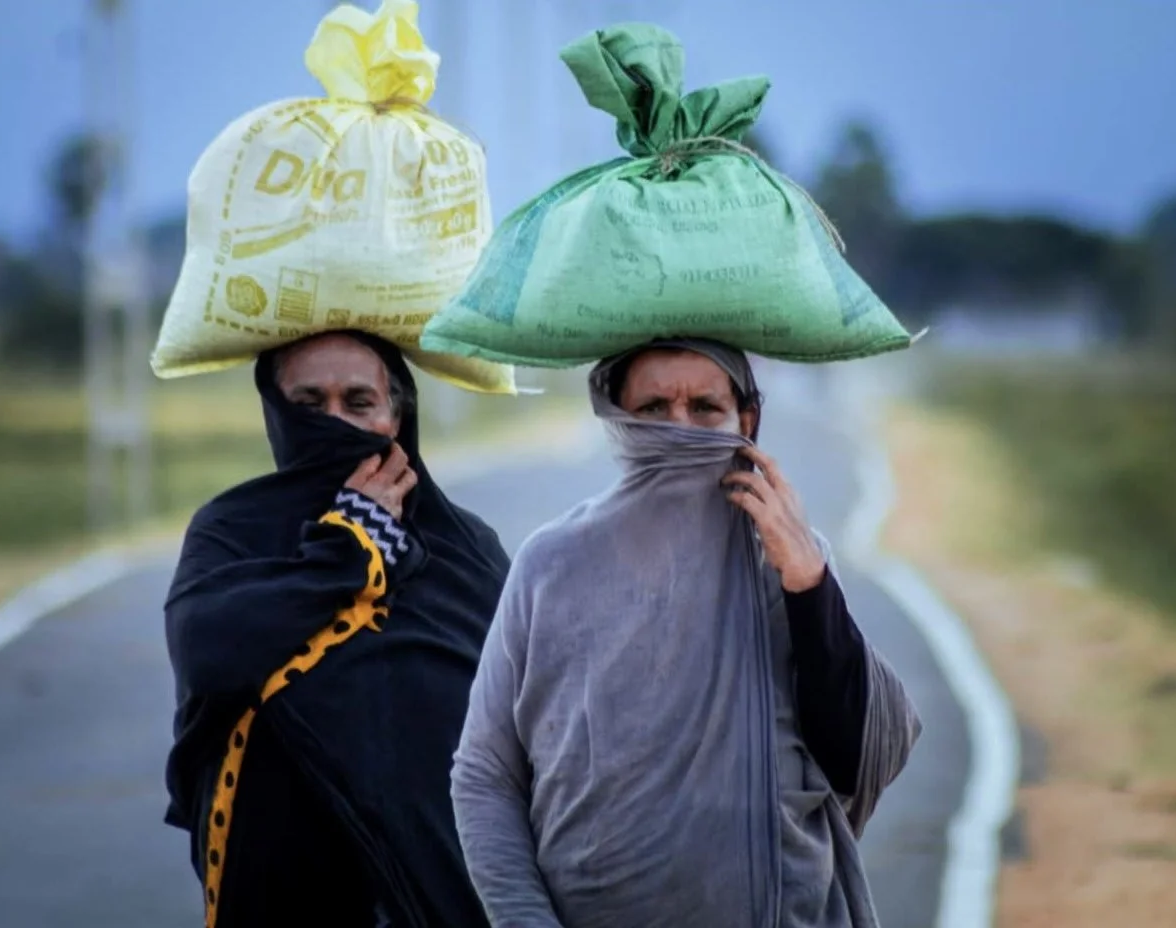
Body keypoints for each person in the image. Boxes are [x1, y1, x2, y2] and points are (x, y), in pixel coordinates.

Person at [451, 337, 922, 928]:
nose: (682, 429)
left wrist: (809, 583)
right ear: (616, 416)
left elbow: (854, 756)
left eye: (705, 408)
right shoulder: (552, 565)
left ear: (744, 420)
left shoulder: (785, 561)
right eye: (654, 410)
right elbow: (485, 774)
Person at [163, 330, 509, 928]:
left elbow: (524, 711)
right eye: (308, 405)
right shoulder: (231, 530)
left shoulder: (465, 548)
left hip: (444, 881)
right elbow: (209, 652)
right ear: (276, 414)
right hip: (287, 887)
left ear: (396, 416)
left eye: (357, 403)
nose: (335, 423)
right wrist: (346, 550)